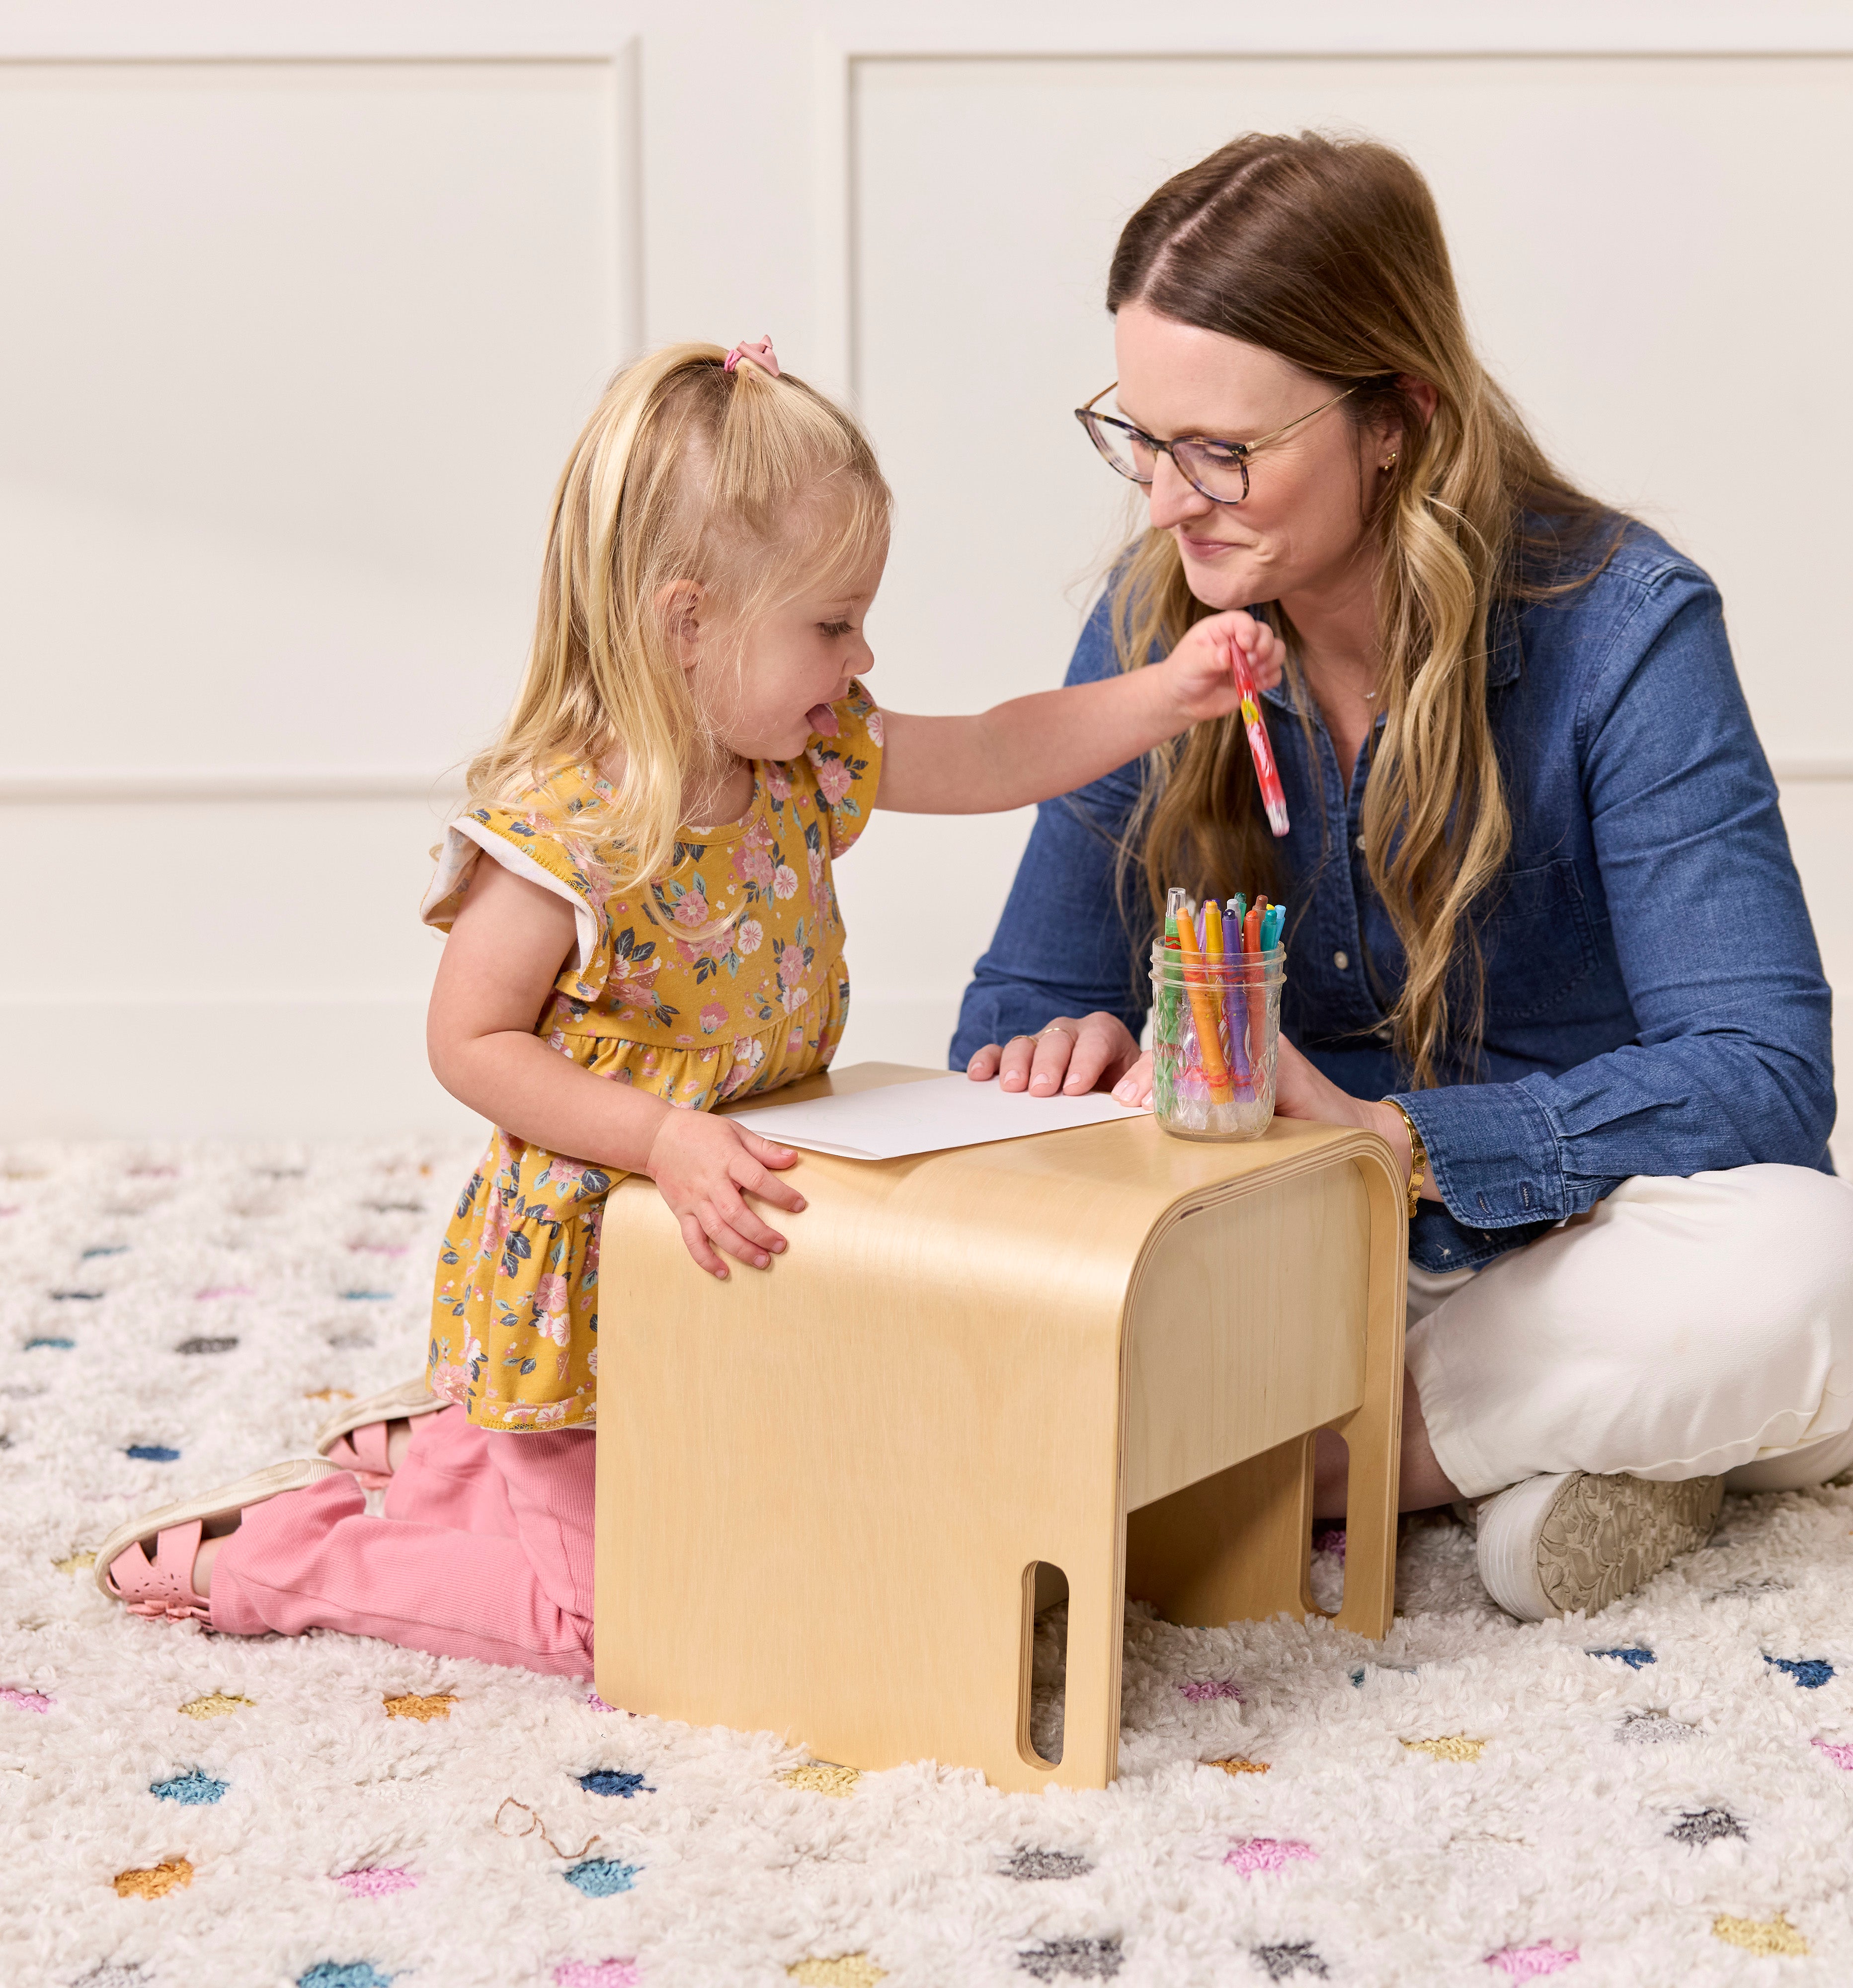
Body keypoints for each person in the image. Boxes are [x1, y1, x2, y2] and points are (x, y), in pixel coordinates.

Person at [92, 335, 1285, 1673]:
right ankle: (286, 1553)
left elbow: (1003, 752)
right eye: (832, 623)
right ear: (685, 623)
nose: (866, 650)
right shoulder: (573, 827)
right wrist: (658, 1137)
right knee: (631, 1622)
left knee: (800, 1532)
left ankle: (453, 1462)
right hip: (600, 1276)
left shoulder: (809, 757)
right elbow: (468, 1042)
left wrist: (1171, 693)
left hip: (731, 1246)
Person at [955, 135, 1853, 1622]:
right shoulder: (1160, 625)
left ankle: (1285, 1470)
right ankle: (1562, 1451)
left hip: (1565, 1240)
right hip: (1276, 1273)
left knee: (1807, 1270)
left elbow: (1764, 1075)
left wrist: (1400, 1141)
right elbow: (1021, 1001)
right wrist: (1076, 1051)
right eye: (1140, 438)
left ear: (1397, 419)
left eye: (1223, 453)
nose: (1164, 504)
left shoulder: (1622, 629)